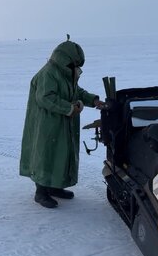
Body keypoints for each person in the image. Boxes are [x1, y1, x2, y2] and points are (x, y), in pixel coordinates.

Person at [19, 37, 105, 208]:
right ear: (64, 59)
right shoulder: (48, 73)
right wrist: (70, 108)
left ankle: (55, 186)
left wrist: (93, 100)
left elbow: (76, 91)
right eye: (74, 64)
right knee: (47, 155)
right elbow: (45, 97)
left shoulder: (65, 72)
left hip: (62, 122)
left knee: (61, 154)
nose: (76, 68)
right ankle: (41, 192)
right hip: (47, 124)